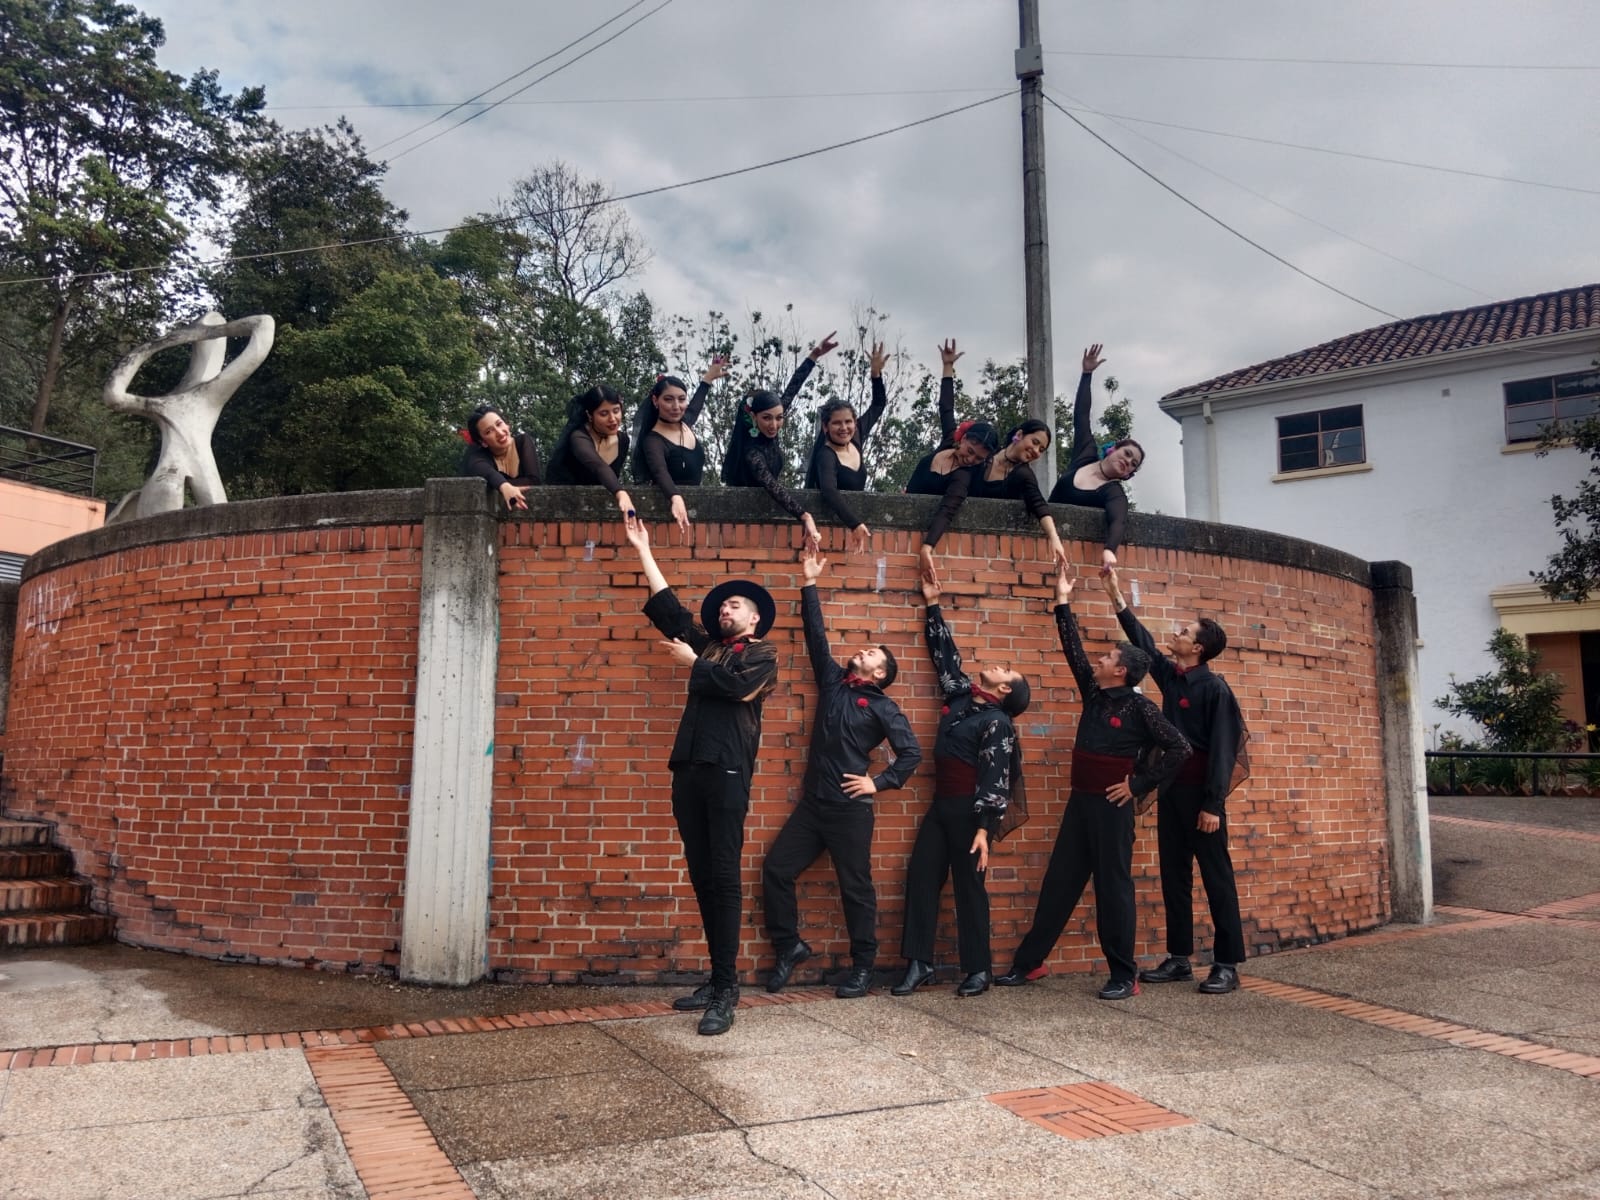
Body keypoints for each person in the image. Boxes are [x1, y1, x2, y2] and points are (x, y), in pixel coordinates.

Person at [996, 565, 1190, 999]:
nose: (1099, 660)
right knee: (1059, 883)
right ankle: (1029, 965)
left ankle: (1125, 975)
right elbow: (1073, 649)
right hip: (1080, 804)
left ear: (1121, 671)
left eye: (1108, 658)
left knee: (1113, 891)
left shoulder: (1141, 711)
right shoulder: (1094, 692)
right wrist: (1061, 599)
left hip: (1112, 810)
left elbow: (1180, 748)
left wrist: (1138, 786)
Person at [625, 520, 780, 1036]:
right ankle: (715, 981)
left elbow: (737, 690)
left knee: (724, 877)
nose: (724, 610)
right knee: (701, 876)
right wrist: (644, 550)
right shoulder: (707, 646)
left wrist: (694, 662)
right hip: (688, 771)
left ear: (755, 618)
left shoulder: (763, 655)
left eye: (735, 605)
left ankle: (728, 990)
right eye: (722, 606)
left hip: (728, 773)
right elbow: (669, 611)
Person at [761, 548, 922, 999]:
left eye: (875, 653)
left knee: (856, 888)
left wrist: (878, 782)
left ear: (881, 672)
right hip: (814, 807)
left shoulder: (884, 707)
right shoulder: (834, 682)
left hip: (851, 810)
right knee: (775, 870)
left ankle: (863, 968)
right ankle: (789, 946)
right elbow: (816, 638)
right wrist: (809, 583)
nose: (866, 649)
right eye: (868, 648)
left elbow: (910, 755)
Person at [1104, 568, 1251, 994]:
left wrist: (1213, 805)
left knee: (1216, 878)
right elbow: (1145, 644)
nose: (1176, 633)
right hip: (1172, 793)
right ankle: (1179, 959)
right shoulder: (1172, 678)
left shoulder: (1215, 690)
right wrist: (1117, 598)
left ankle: (1227, 963)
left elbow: (1223, 752)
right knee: (1174, 876)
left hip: (1204, 800)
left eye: (1184, 631)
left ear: (1198, 648)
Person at [892, 573, 1030, 999]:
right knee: (920, 877)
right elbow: (946, 660)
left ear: (1004, 689)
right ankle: (919, 963)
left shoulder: (997, 722)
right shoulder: (960, 699)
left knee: (970, 889)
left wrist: (985, 831)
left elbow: (995, 781)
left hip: (972, 817)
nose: (994, 664)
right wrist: (933, 605)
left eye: (1004, 670)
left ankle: (978, 970)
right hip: (941, 808)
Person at [918, 417, 1070, 584]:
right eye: (1034, 442)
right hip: (957, 540)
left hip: (993, 556)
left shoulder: (1023, 475)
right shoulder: (983, 455)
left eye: (1041, 449)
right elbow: (951, 501)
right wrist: (928, 546)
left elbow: (1039, 503)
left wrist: (1054, 538)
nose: (1036, 451)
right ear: (1019, 434)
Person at [1047, 345, 1145, 571]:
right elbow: (1081, 416)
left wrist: (1110, 549)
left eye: (1133, 464)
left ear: (1129, 474)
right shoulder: (1085, 453)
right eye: (1127, 454)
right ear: (1113, 449)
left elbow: (1118, 520)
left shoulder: (1112, 492)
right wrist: (1087, 374)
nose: (1127, 461)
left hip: (1068, 553)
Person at [802, 341, 890, 552]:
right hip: (828, 535)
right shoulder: (826, 454)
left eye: (848, 422)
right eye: (836, 423)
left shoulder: (856, 437)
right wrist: (855, 523)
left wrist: (876, 375)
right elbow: (829, 491)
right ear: (825, 427)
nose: (844, 428)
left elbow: (878, 405)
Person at [631, 357, 728, 538]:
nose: (676, 406)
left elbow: (695, 406)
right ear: (655, 400)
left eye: (681, 399)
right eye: (668, 400)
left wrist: (708, 378)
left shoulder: (686, 423)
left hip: (697, 515)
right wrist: (675, 497)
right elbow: (660, 471)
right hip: (667, 522)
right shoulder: (653, 441)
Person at [903, 339, 999, 495]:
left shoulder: (973, 477)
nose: (970, 460)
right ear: (963, 439)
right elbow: (946, 408)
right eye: (970, 451)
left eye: (978, 458)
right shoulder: (949, 439)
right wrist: (948, 366)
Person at [545, 385, 637, 526]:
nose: (613, 419)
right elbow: (598, 467)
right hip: (568, 515)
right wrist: (620, 493)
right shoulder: (578, 437)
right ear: (590, 416)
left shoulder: (623, 440)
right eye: (604, 414)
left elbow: (613, 475)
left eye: (616, 411)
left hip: (604, 517)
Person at [462, 405, 540, 511]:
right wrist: (504, 486)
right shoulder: (478, 456)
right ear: (483, 442)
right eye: (489, 432)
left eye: (499, 424)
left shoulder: (522, 442)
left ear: (507, 424)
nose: (499, 433)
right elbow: (481, 469)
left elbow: (533, 480)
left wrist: (496, 485)